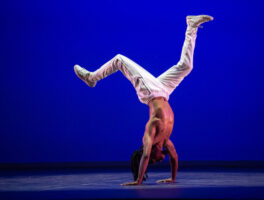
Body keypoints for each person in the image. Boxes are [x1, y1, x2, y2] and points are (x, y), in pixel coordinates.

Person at [74, 14, 214, 186]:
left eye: (154, 161)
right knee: (186, 66)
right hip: (164, 91)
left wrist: (138, 181)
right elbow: (175, 158)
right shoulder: (165, 141)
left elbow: (146, 155)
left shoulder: (151, 131)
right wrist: (172, 178)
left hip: (150, 93)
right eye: (157, 161)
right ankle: (191, 26)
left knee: (119, 60)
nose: (158, 160)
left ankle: (92, 78)